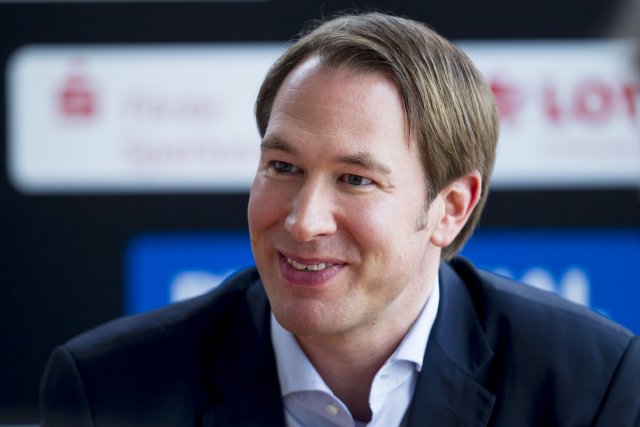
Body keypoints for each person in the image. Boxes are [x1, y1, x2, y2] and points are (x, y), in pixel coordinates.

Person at [40, 12, 640, 427]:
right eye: (283, 167)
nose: (304, 222)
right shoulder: (107, 389)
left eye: (355, 179)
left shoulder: (589, 385)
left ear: (450, 208)